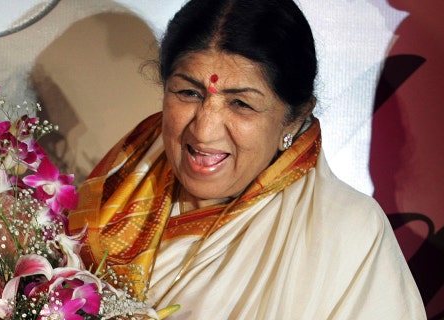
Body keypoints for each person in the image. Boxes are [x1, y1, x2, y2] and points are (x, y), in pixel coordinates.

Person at [67, 0, 426, 318]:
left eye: (241, 104)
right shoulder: (121, 181)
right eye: (188, 93)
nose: (204, 130)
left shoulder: (350, 236)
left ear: (294, 119)